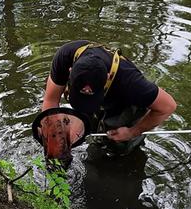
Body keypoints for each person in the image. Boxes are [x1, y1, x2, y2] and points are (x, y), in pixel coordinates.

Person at [42, 40, 176, 156]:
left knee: (120, 148)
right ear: (70, 72)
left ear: (107, 77)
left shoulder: (130, 82)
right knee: (87, 132)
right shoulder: (65, 57)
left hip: (124, 102)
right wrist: (53, 135)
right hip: (101, 91)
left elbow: (168, 107)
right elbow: (50, 100)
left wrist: (132, 132)